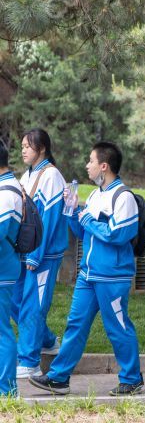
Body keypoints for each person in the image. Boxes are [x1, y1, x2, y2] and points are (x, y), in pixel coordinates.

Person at [29, 142, 143, 396]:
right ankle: (59, 378)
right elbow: (82, 233)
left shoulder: (123, 197)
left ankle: (132, 378)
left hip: (112, 277)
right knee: (75, 325)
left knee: (118, 327)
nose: (87, 166)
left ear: (104, 166)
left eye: (90, 161)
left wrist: (88, 219)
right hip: (88, 275)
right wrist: (71, 211)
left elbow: (118, 235)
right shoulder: (94, 195)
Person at [14, 129, 68, 379]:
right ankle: (47, 340)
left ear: (42, 148)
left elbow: (50, 218)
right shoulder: (28, 174)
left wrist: (36, 255)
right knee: (15, 302)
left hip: (43, 256)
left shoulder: (52, 175)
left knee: (33, 306)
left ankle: (29, 362)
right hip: (25, 252)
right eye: (22, 145)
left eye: (28, 146)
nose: (23, 149)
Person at [0, 141, 23, 397]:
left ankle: (6, 391)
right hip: (5, 265)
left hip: (2, 268)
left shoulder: (6, 192)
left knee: (2, 331)